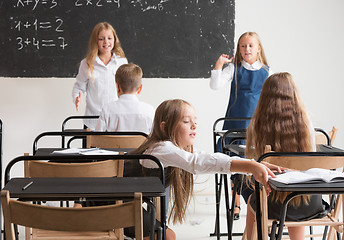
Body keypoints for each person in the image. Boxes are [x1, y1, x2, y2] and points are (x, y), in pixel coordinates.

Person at [132, 99, 283, 239]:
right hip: (116, 204)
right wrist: (251, 166)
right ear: (164, 127)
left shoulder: (173, 151)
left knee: (168, 235)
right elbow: (197, 162)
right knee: (168, 236)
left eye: (195, 122)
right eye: (186, 121)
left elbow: (207, 157)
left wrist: (253, 163)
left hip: (128, 202)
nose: (193, 126)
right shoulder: (161, 149)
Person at [244, 72, 329, 240]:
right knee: (294, 198)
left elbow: (253, 167)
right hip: (309, 203)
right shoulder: (306, 124)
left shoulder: (257, 125)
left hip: (272, 204)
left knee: (253, 201)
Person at [210, 32, 272, 219]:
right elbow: (215, 85)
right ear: (239, 49)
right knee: (234, 162)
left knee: (257, 161)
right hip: (235, 125)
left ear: (258, 48)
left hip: (257, 127)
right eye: (243, 46)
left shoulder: (267, 71)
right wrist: (219, 65)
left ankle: (258, 198)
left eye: (251, 46)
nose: (247, 49)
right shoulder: (234, 69)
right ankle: (235, 201)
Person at [72, 22, 128, 130]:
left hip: (116, 120)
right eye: (101, 39)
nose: (106, 42)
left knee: (113, 147)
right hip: (93, 121)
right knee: (91, 147)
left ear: (114, 40)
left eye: (109, 38)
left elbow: (126, 89)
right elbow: (78, 87)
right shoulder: (87, 63)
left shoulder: (122, 62)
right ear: (95, 41)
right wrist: (77, 97)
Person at [95, 63, 155, 134]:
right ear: (140, 88)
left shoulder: (107, 110)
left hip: (112, 145)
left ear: (117, 87)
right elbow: (155, 139)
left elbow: (97, 138)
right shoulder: (149, 111)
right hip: (141, 145)